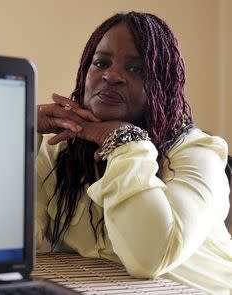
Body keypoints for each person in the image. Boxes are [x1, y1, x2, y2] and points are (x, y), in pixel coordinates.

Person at [36, 11, 232, 294]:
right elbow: (15, 244)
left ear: (162, 86)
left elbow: (149, 258)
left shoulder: (198, 153)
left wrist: (125, 140)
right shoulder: (61, 151)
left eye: (136, 69)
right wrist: (19, 130)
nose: (111, 75)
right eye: (101, 62)